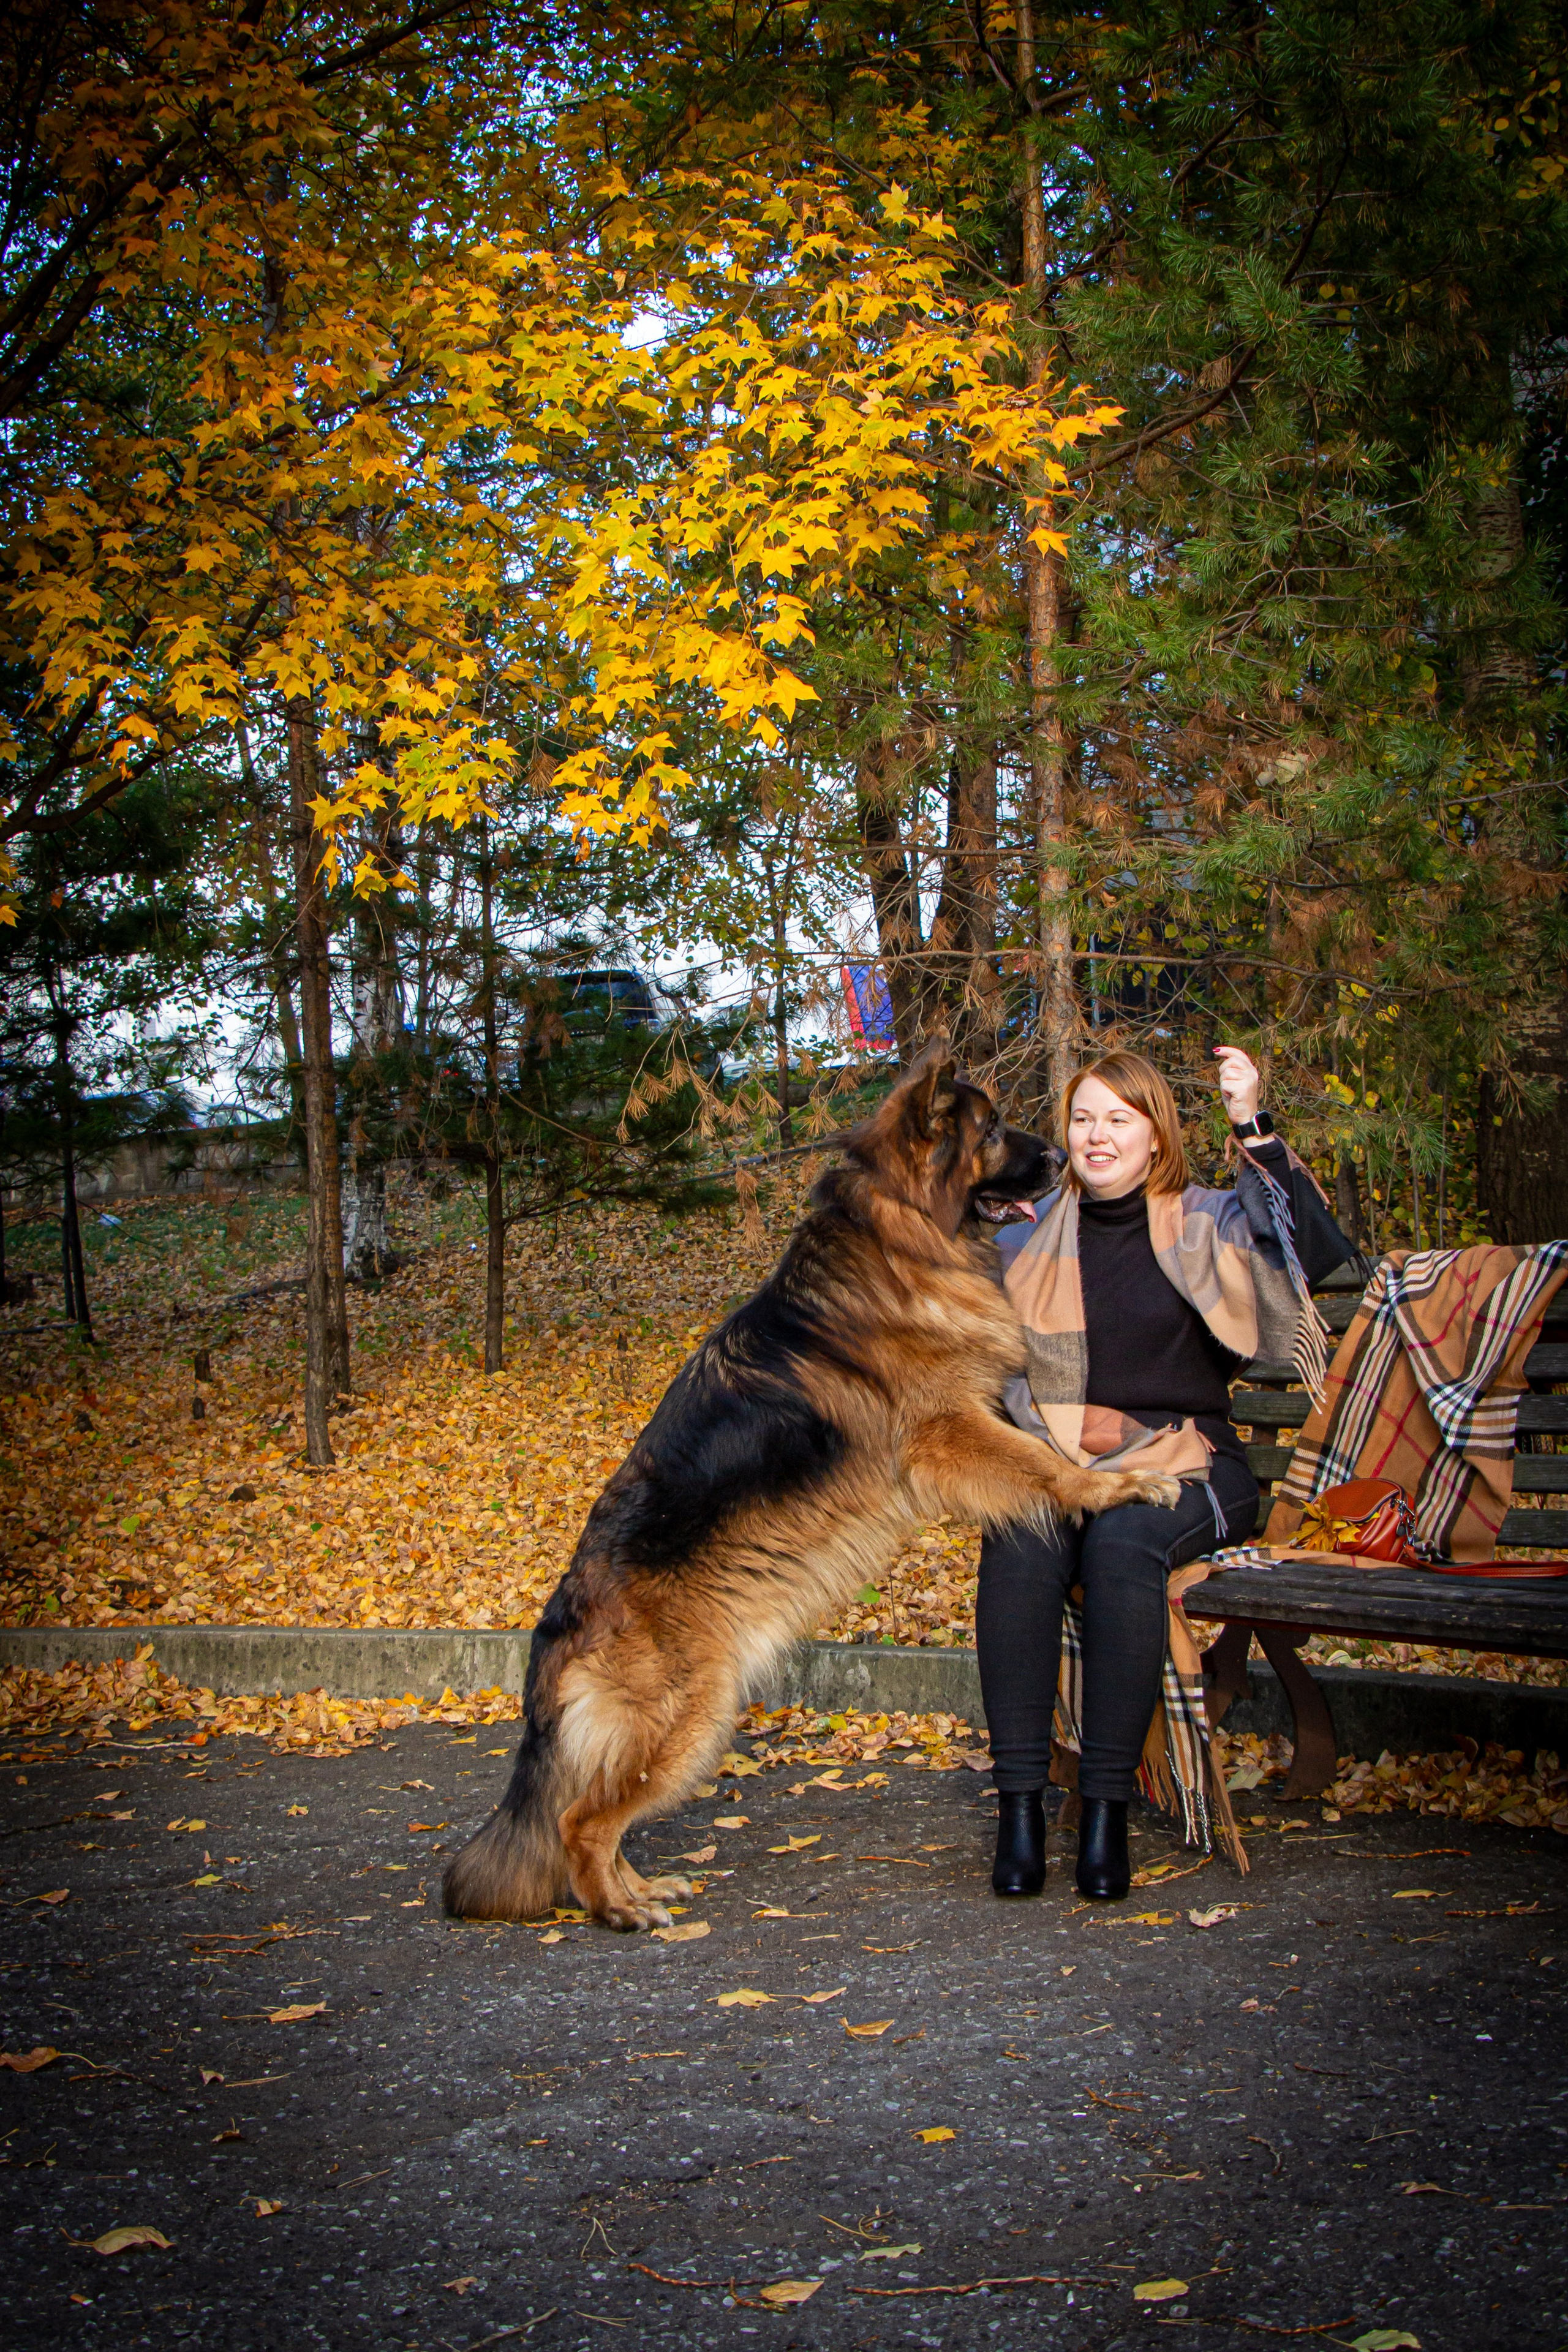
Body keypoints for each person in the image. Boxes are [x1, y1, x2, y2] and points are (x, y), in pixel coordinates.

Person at [979, 1045, 1354, 1902]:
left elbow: (1316, 1250)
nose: (1097, 1134)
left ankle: (1107, 1811)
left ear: (1155, 1136)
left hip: (1191, 1458)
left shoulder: (1207, 1219)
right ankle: (1021, 1811)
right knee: (1020, 1538)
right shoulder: (1023, 1238)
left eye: (1120, 1118)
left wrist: (1250, 1121)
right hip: (1063, 1461)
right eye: (1083, 1118)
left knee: (1124, 1542)